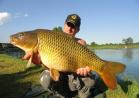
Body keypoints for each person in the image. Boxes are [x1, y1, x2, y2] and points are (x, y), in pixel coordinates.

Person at [23, 14, 105, 98]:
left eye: (73, 26)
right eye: (68, 25)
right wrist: (39, 62)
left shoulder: (81, 43)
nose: (70, 29)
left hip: (74, 75)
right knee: (46, 77)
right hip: (61, 77)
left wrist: (86, 70)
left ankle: (83, 93)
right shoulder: (52, 38)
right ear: (64, 25)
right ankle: (59, 93)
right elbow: (49, 63)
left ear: (78, 29)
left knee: (90, 80)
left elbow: (85, 64)